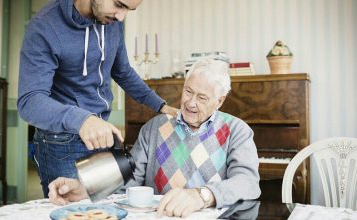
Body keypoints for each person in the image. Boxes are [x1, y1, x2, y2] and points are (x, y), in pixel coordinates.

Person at [47, 58, 261, 217]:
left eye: (202, 97)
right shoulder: (154, 128)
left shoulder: (237, 130)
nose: (190, 103)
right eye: (188, 91)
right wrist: (85, 189)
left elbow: (248, 183)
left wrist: (201, 195)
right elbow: (130, 180)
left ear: (220, 101)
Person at [17, 0, 178, 197]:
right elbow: (30, 101)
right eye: (119, 4)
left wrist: (160, 105)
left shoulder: (110, 20)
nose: (121, 17)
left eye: (129, 9)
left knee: (104, 211)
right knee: (74, 213)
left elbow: (123, 72)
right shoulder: (45, 26)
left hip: (101, 134)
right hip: (61, 142)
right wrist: (83, 120)